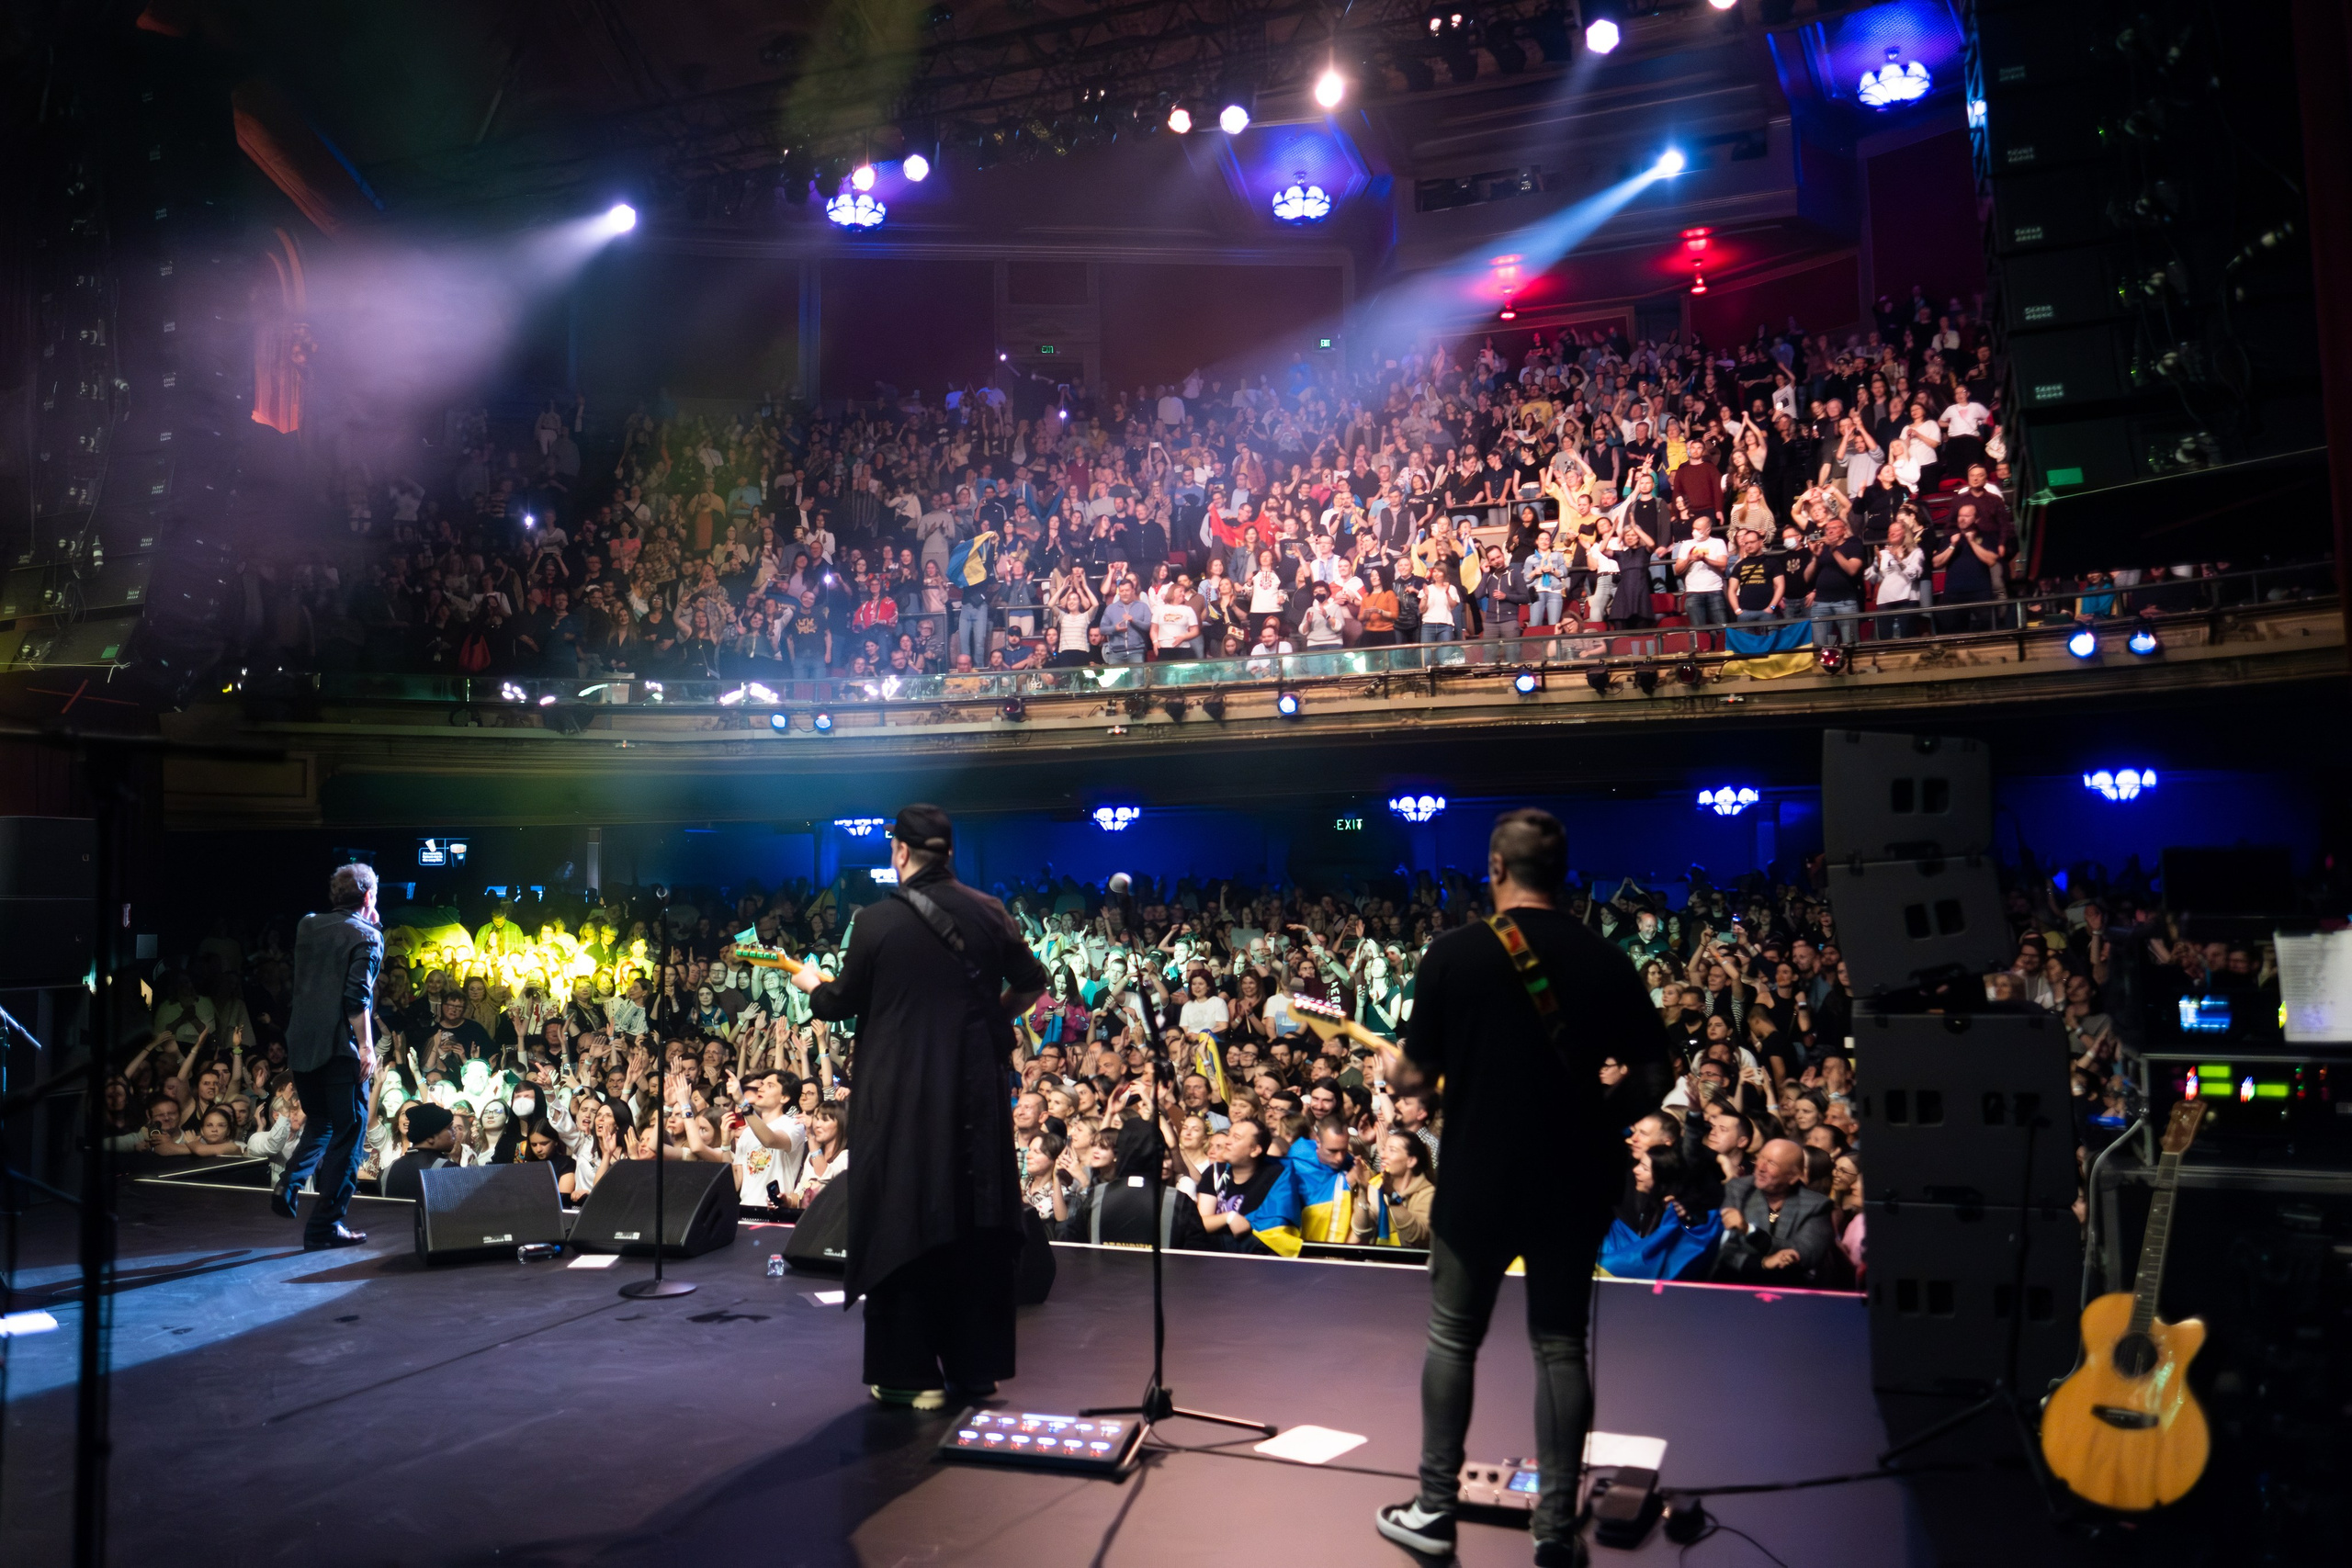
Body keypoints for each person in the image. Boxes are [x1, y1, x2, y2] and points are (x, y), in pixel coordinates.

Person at [1374, 810, 1672, 1567]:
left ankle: (1435, 1509)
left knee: (1452, 1337)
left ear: (1496, 870)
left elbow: (1413, 1073)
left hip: (1478, 1173)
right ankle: (1551, 1530)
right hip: (1572, 1178)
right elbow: (1656, 1075)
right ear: (1564, 874)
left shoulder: (1456, 953)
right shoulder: (1607, 959)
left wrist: (1394, 1071)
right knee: (1560, 1346)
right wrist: (1599, 1114)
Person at [792, 805, 1050, 1407]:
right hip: (975, 1094)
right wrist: (991, 1015)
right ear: (949, 852)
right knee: (973, 1214)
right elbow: (1033, 982)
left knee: (905, 1212)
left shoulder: (878, 920)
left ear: (899, 851)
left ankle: (909, 1374)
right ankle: (974, 1367)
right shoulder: (991, 912)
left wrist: (810, 984)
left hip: (904, 1096)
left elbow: (839, 1002)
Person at [274, 863, 384, 1249]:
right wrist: (367, 1047)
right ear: (369, 896)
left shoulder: (307, 925)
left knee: (320, 1121)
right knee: (350, 1136)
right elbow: (357, 998)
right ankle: (324, 1227)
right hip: (340, 1049)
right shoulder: (368, 935)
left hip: (302, 1043)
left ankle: (289, 1182)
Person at [1713, 1137, 1834, 1287]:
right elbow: (1725, 1252)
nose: (1761, 1167)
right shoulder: (1739, 1189)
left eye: (1771, 1163)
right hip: (1737, 1283)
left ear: (1792, 1176)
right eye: (1760, 1158)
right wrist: (1764, 1263)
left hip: (1790, 1290)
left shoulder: (1816, 1205)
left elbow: (1804, 1255)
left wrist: (1749, 1231)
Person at [381, 1101, 458, 1203]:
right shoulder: (448, 1170)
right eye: (449, 1128)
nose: (454, 1132)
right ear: (430, 1138)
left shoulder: (388, 1171)